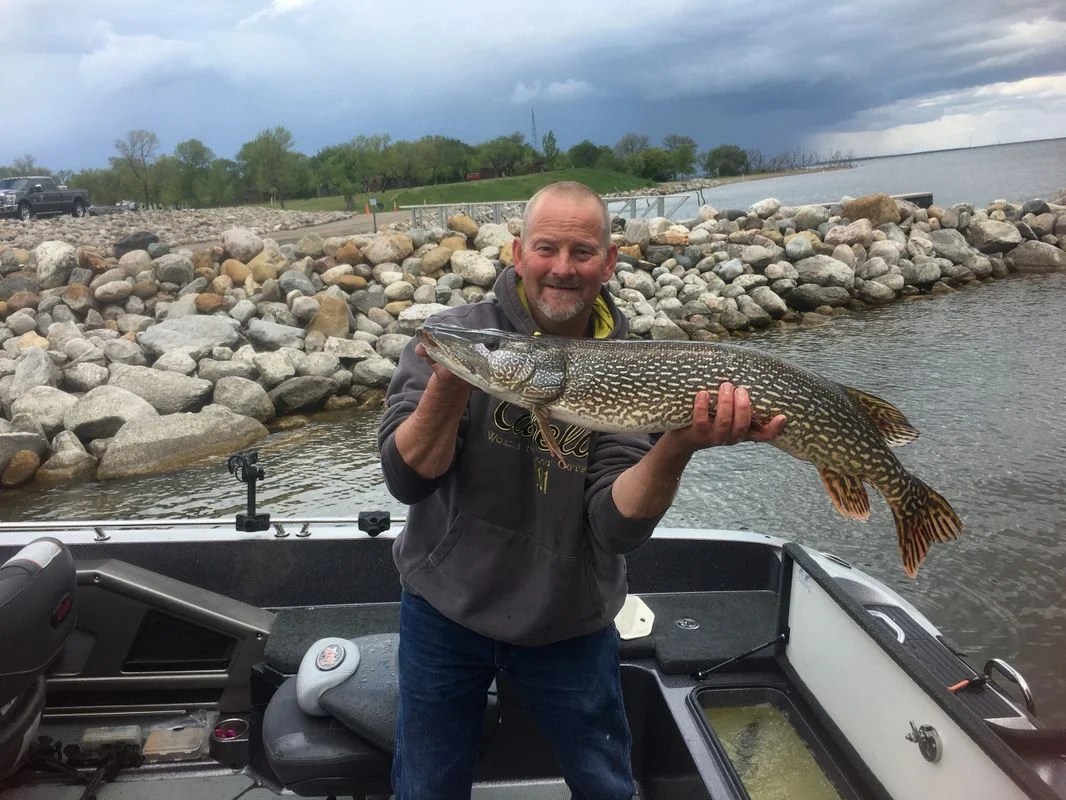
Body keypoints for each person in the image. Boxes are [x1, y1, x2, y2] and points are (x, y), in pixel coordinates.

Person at [377, 180, 786, 799]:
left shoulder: (631, 367)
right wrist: (454, 378)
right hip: (444, 606)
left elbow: (614, 528)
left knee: (606, 787)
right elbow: (406, 479)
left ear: (609, 261)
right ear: (517, 254)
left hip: (569, 620)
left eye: (582, 252)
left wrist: (676, 445)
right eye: (546, 249)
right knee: (427, 786)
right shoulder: (459, 333)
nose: (562, 269)